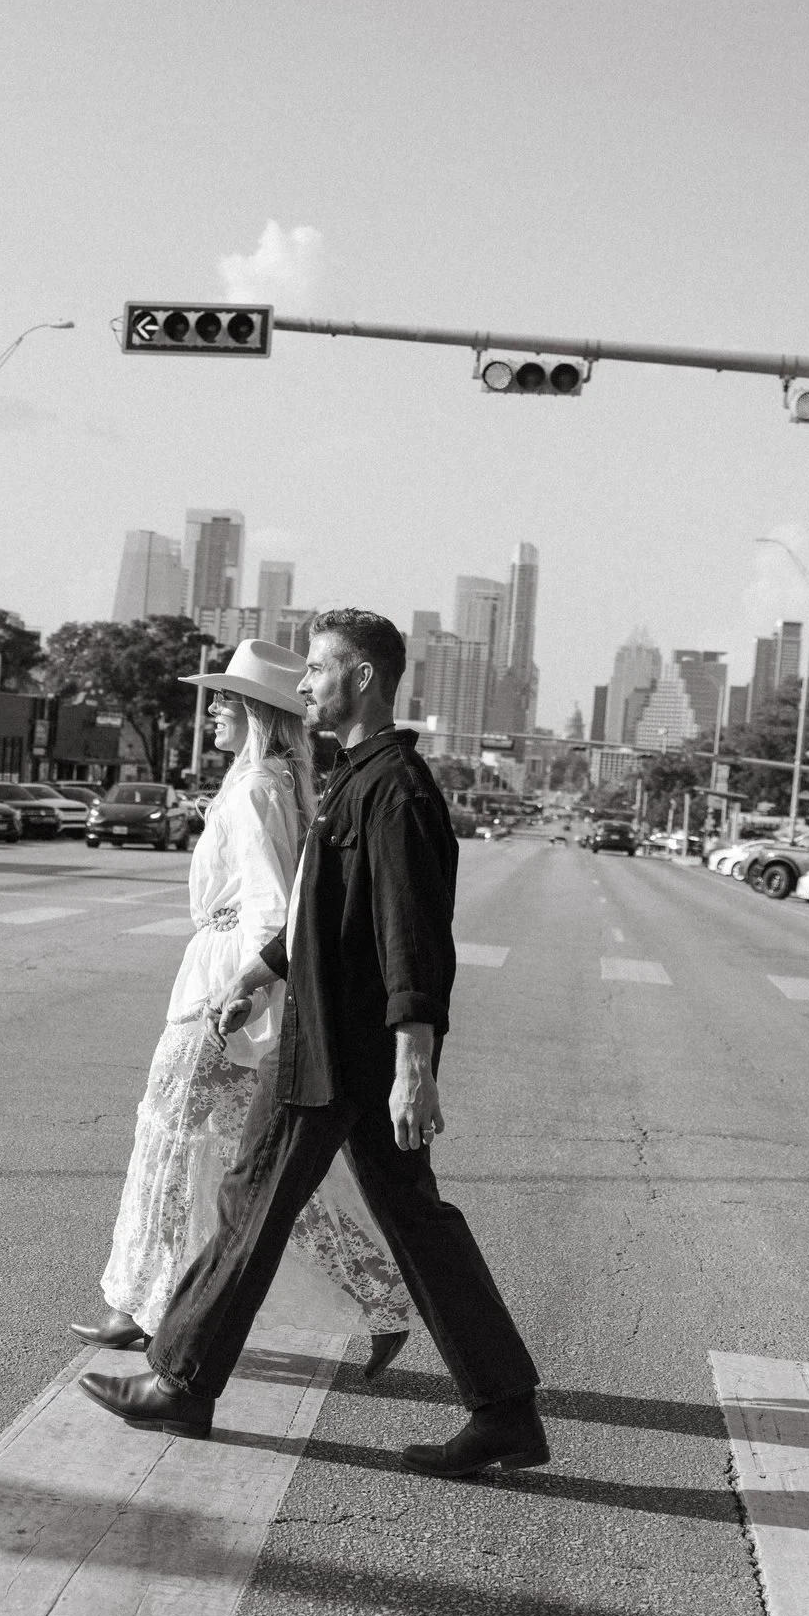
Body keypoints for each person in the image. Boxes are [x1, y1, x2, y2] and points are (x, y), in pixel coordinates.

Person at [80, 609, 548, 1479]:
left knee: (249, 1200)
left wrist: (418, 1066)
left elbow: (414, 941)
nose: (303, 687)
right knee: (418, 1225)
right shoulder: (358, 778)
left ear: (363, 677)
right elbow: (318, 917)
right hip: (338, 1041)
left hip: (338, 1049)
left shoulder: (396, 789)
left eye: (319, 670)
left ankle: (182, 1379)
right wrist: (256, 975)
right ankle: (506, 1409)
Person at [71, 639, 414, 1372]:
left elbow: (271, 908)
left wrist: (246, 992)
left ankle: (141, 1305)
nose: (214, 708)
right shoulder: (260, 782)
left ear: (257, 711)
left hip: (222, 993)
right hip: (222, 982)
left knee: (175, 1141)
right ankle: (379, 1298)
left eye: (226, 698)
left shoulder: (260, 785)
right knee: (254, 1168)